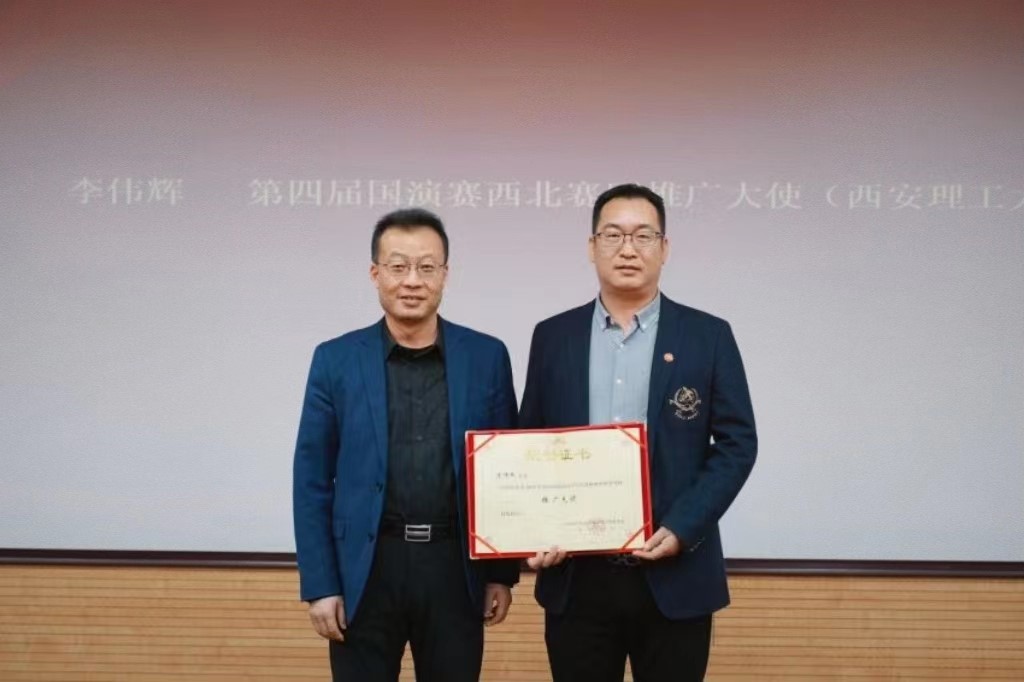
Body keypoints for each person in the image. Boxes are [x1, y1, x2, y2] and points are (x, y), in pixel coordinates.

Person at [520, 184, 757, 682]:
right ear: (592, 247)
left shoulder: (708, 336)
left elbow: (737, 444)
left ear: (664, 248)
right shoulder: (553, 336)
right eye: (613, 235)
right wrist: (535, 528)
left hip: (675, 574)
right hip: (577, 580)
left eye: (643, 235)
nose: (628, 248)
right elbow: (530, 444)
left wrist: (683, 527)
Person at [292, 208, 520, 682]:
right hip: (366, 569)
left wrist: (502, 573)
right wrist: (321, 584)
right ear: (375, 274)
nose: (412, 280)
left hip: (454, 567)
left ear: (445, 275)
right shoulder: (335, 360)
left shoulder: (486, 357)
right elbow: (311, 481)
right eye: (398, 266)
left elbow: (505, 472)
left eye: (426, 267)